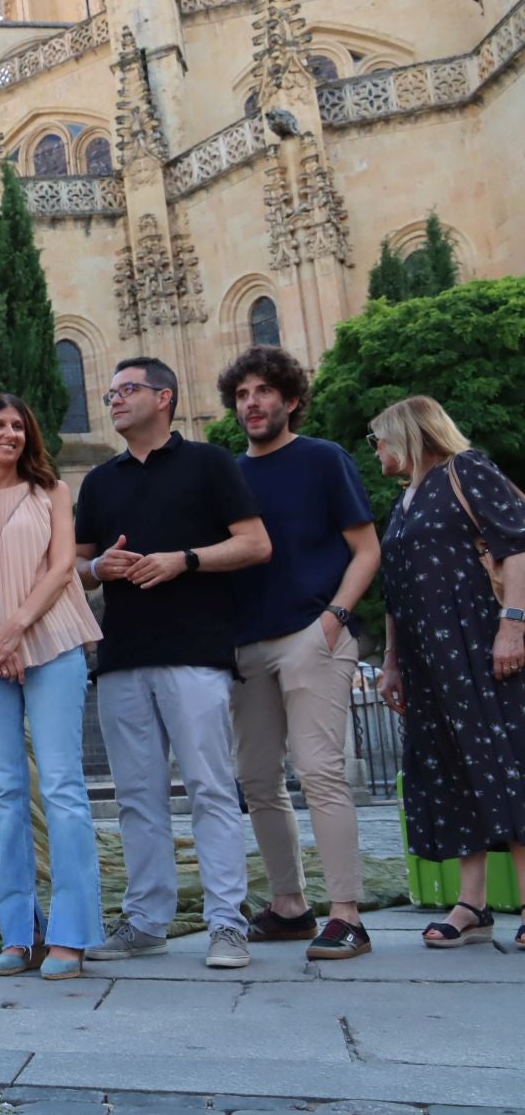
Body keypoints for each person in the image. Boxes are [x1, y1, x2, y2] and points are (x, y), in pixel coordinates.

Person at [75, 357, 273, 970]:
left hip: (195, 652)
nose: (113, 401)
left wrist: (182, 560)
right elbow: (76, 568)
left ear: (164, 397)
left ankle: (226, 925)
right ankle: (145, 920)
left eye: (127, 390)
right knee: (138, 795)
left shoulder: (211, 463)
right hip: (122, 656)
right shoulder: (99, 482)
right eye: (110, 393)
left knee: (211, 790)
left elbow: (256, 543)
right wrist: (97, 569)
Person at [217, 347, 381, 960]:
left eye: (263, 392)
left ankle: (348, 915)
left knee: (320, 772)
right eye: (241, 395)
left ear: (289, 399)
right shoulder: (230, 473)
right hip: (247, 644)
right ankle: (290, 906)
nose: (251, 403)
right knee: (258, 780)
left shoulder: (323, 459)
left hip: (313, 635)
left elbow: (366, 548)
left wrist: (335, 618)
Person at [0, 394, 105, 979]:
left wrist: (13, 630)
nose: (8, 433)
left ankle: (72, 935)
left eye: (17, 425)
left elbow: (62, 568)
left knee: (62, 786)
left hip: (52, 638)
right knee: (4, 792)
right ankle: (18, 934)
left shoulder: (52, 492)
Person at [371, 396, 525, 951]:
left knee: (507, 761)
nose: (376, 450)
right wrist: (391, 663)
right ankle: (472, 904)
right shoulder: (403, 503)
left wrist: (513, 626)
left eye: (380, 438)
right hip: (426, 660)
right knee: (453, 770)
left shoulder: (468, 470)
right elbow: (395, 592)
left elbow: (516, 546)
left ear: (410, 435)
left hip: (481, 644)